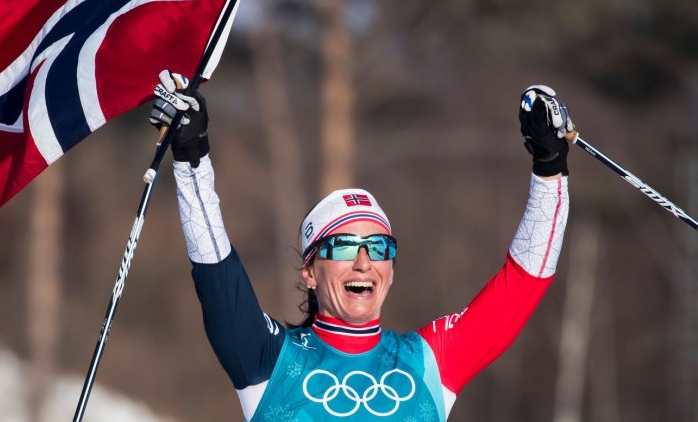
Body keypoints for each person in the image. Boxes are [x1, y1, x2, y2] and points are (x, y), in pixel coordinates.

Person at [151, 72, 573, 422]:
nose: (363, 262)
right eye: (342, 246)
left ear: (391, 269)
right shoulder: (269, 359)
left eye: (378, 247)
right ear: (310, 272)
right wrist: (191, 156)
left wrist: (550, 167)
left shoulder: (429, 362)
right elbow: (216, 270)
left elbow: (525, 279)